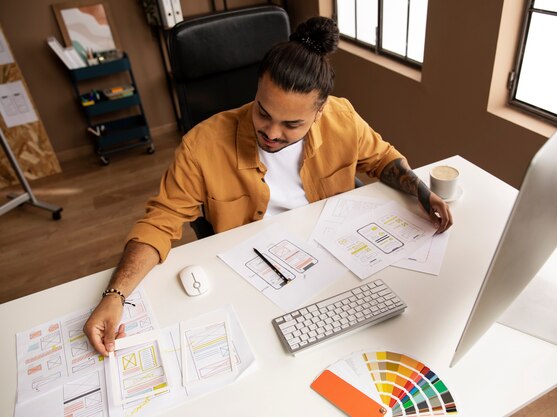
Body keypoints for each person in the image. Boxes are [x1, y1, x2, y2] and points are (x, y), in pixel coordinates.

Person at [83, 16, 453, 356]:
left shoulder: (341, 116)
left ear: (319, 111)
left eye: (292, 124)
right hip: (253, 274)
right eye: (263, 111)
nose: (272, 133)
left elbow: (381, 158)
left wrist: (423, 192)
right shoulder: (203, 145)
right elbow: (160, 221)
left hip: (335, 263)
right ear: (257, 90)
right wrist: (116, 295)